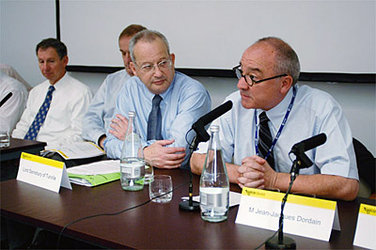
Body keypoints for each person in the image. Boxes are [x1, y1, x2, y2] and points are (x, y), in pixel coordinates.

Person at [191, 37, 359, 201]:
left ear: (284, 83)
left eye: (253, 78)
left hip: (303, 213)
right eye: (241, 73)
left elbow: (346, 185)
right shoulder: (235, 104)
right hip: (250, 209)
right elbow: (197, 161)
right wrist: (244, 174)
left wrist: (273, 180)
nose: (241, 85)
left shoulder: (321, 108)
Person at [104, 30, 211, 169]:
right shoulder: (130, 89)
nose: (158, 73)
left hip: (181, 180)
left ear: (172, 60)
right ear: (134, 69)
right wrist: (145, 153)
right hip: (138, 176)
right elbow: (110, 144)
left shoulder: (193, 92)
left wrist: (132, 141)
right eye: (148, 67)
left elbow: (177, 154)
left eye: (163, 63)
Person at [12, 38, 92, 146]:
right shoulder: (36, 91)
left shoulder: (81, 93)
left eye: (51, 61)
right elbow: (23, 126)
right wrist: (15, 147)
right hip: (26, 152)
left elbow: (80, 136)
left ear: (65, 61)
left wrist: (47, 150)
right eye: (41, 62)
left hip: (55, 153)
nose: (45, 68)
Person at [82, 24, 147, 148]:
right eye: (123, 53)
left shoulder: (156, 84)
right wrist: (102, 139)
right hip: (106, 148)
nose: (127, 60)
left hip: (136, 150)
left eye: (131, 53)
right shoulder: (112, 80)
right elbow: (90, 119)